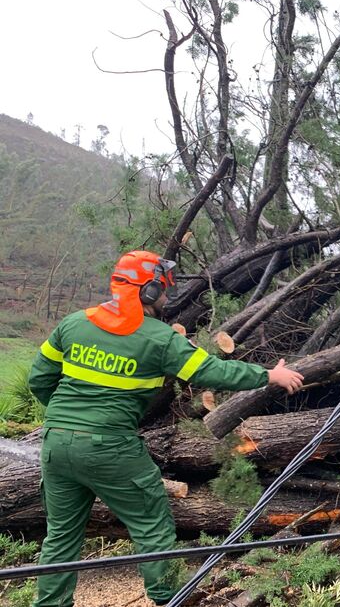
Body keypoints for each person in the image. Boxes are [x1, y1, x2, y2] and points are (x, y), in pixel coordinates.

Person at [28, 250, 304, 607]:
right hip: (110, 447)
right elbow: (212, 372)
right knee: (152, 524)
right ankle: (168, 597)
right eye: (162, 290)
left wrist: (70, 420)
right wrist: (269, 375)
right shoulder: (159, 338)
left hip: (55, 445)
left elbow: (39, 381)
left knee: (61, 537)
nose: (166, 297)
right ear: (146, 291)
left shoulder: (73, 323)